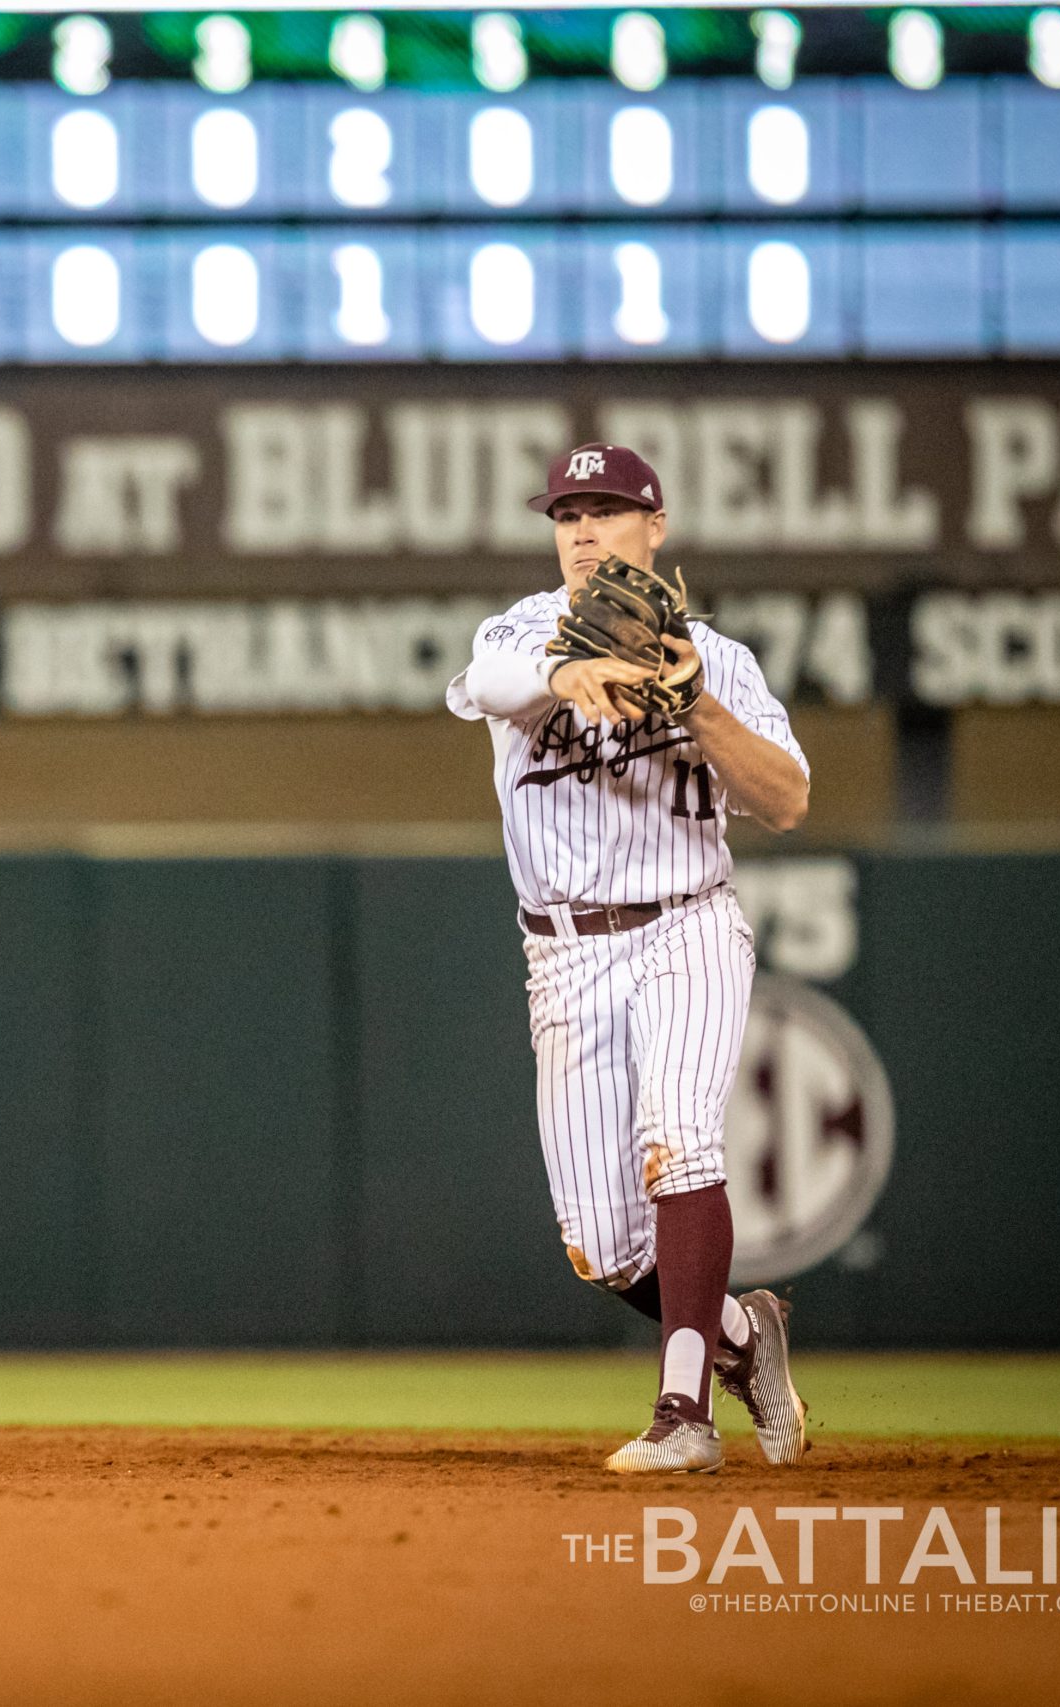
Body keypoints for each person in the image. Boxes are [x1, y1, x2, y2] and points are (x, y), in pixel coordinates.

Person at [444, 443, 812, 1473]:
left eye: (607, 510)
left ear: (656, 528)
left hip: (686, 924)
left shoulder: (721, 661)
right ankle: (744, 1338)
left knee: (679, 1141)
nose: (583, 530)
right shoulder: (522, 630)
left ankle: (683, 1416)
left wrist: (694, 704)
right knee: (602, 1250)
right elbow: (486, 680)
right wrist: (568, 668)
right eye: (567, 514)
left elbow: (785, 798)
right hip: (563, 953)